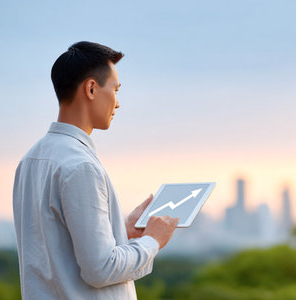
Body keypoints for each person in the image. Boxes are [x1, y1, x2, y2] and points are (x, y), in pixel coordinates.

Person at [13, 41, 179, 299]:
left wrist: (122, 229)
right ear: (91, 88)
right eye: (115, 89)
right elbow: (100, 269)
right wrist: (152, 241)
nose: (118, 103)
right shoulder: (81, 166)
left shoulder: (29, 161)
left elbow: (59, 249)